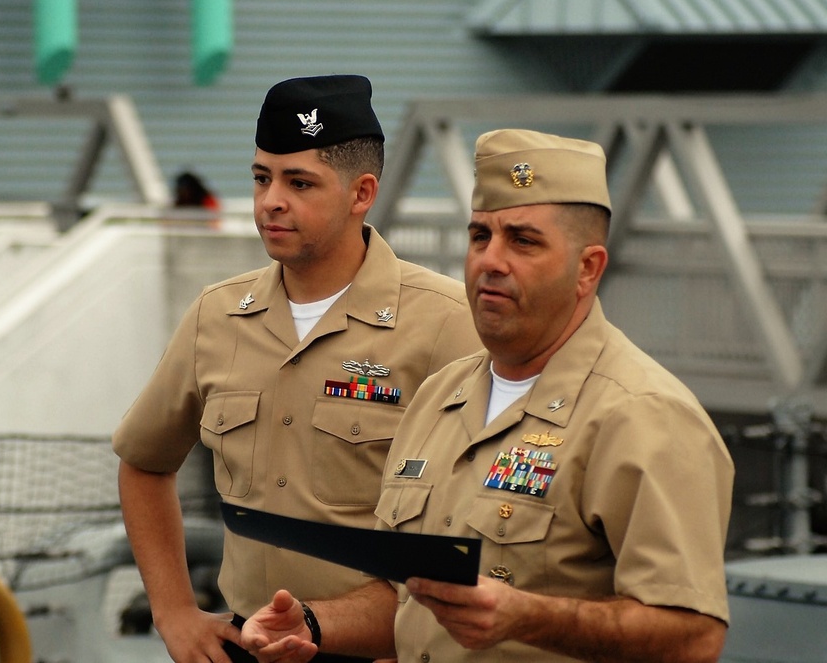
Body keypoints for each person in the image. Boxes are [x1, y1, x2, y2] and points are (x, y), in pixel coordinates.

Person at [239, 129, 735, 663]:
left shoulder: (641, 415)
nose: (490, 261)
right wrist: (313, 624)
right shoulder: (441, 396)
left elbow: (694, 635)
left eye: (523, 241)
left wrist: (528, 617)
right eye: (480, 237)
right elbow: (407, 599)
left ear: (587, 269)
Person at [111, 74, 481, 663]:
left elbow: (476, 542)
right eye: (261, 178)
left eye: (299, 182)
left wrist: (320, 624)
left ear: (362, 194)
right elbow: (142, 463)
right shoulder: (218, 316)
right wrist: (174, 611)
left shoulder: (447, 324)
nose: (270, 201)